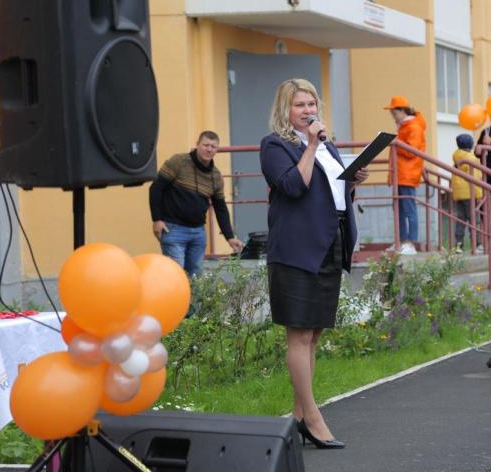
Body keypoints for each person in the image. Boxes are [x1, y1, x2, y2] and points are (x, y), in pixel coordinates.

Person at [260, 78, 369, 449]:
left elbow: (331, 193)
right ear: (285, 110)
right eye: (299, 105)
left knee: (315, 334)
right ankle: (313, 416)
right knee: (299, 334)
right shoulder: (275, 145)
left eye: (311, 104)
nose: (308, 111)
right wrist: (310, 145)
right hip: (296, 248)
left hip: (329, 241)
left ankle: (297, 417)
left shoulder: (328, 145)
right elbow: (294, 186)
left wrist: (351, 182)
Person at [149, 131, 244, 277]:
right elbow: (156, 188)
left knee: (196, 278)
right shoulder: (178, 162)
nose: (209, 149)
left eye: (213, 146)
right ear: (197, 144)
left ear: (217, 150)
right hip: (173, 229)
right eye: (206, 145)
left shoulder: (216, 176)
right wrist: (157, 219)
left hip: (198, 232)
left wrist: (229, 237)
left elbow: (220, 208)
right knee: (175, 276)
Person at [385, 95, 426, 255]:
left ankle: (410, 242)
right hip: (401, 174)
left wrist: (395, 142)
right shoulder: (405, 126)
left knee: (408, 210)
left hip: (407, 174)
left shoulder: (413, 127)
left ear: (402, 111)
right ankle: (402, 241)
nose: (393, 117)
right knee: (399, 210)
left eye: (394, 113)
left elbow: (412, 151)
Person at [452, 133, 483, 251]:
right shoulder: (472, 159)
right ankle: (477, 244)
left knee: (460, 220)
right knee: (475, 220)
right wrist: (479, 195)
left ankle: (458, 245)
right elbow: (475, 178)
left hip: (458, 193)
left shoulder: (456, 156)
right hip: (470, 193)